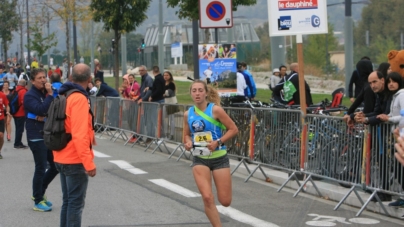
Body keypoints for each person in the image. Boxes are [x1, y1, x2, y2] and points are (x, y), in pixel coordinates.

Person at [183, 80, 238, 227]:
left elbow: (233, 129)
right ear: (191, 94)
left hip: (219, 158)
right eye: (194, 91)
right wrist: (187, 143)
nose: (197, 93)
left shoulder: (216, 110)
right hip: (200, 158)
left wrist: (217, 142)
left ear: (206, 93)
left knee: (225, 201)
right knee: (207, 197)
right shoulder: (187, 114)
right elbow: (186, 135)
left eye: (200, 90)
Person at [53, 63, 96, 227]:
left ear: (71, 77)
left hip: (61, 154)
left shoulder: (65, 94)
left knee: (68, 202)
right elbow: (79, 134)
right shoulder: (79, 98)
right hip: (74, 158)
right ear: (89, 79)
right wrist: (88, 162)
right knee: (75, 205)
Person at [24, 68, 58, 211]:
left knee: (55, 165)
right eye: (39, 78)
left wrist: (52, 95)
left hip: (46, 134)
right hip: (36, 135)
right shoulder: (29, 95)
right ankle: (38, 200)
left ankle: (39, 191)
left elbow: (54, 109)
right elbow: (41, 110)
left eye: (44, 77)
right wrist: (50, 96)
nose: (43, 80)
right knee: (41, 167)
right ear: (32, 81)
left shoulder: (45, 93)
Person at [375, 72, 404, 207]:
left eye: (394, 81)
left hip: (401, 136)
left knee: (399, 167)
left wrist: (389, 119)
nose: (391, 84)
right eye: (389, 82)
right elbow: (395, 114)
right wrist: (385, 116)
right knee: (398, 167)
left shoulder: (402, 95)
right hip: (397, 136)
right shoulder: (395, 96)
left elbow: (402, 116)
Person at [12, 79, 28, 149]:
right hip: (21, 113)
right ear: (25, 84)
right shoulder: (23, 91)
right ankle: (17, 143)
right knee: (20, 129)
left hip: (15, 112)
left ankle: (18, 141)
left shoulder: (15, 90)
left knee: (17, 128)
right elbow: (24, 102)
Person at [163, 71, 177, 139]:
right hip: (165, 103)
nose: (165, 76)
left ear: (170, 76)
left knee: (171, 119)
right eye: (164, 75)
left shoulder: (171, 84)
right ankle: (165, 133)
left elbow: (169, 93)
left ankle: (172, 134)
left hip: (171, 103)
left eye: (167, 75)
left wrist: (164, 94)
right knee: (165, 119)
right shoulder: (163, 83)